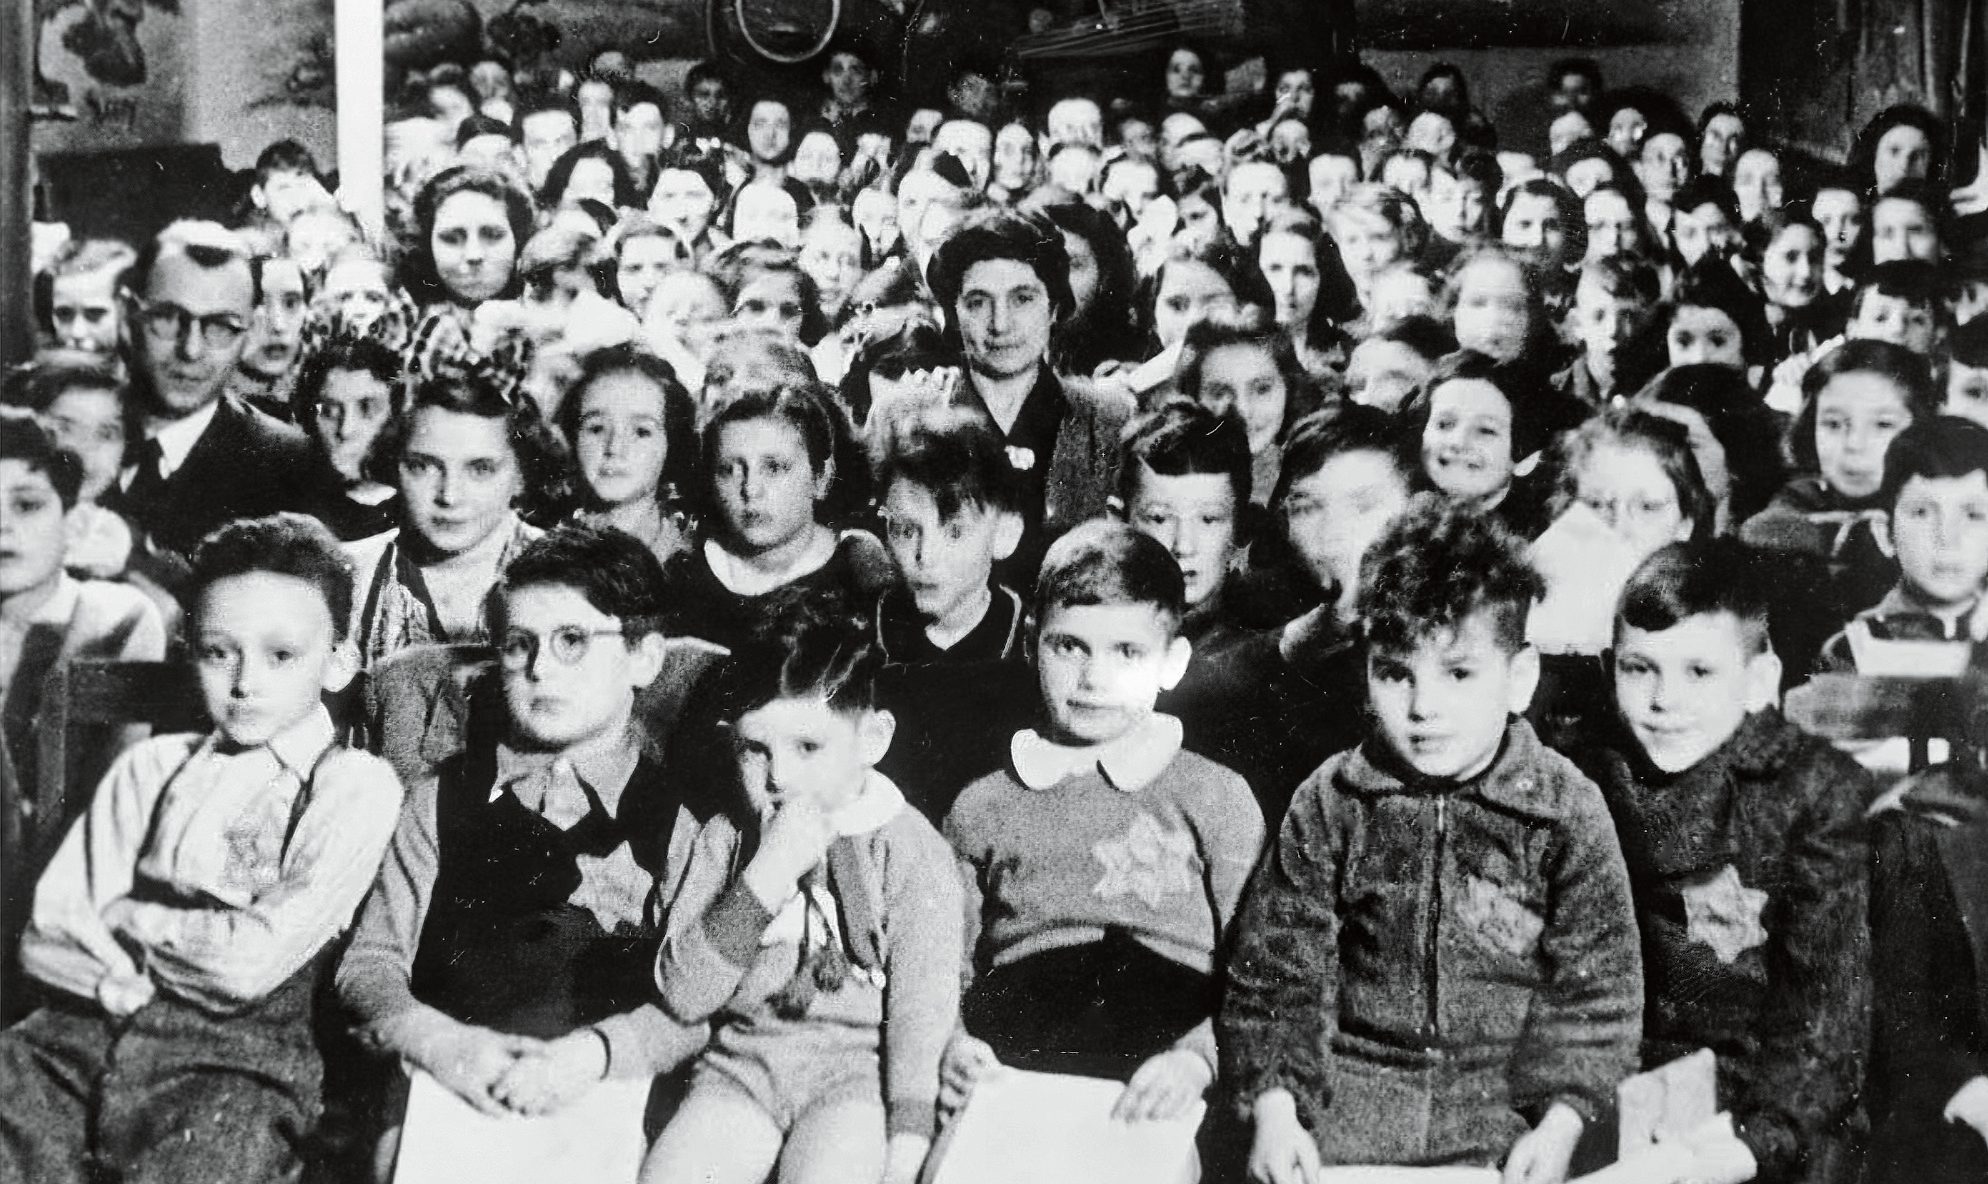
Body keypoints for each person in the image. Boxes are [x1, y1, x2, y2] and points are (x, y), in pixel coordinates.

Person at [1221, 497, 1642, 1178]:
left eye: (1459, 673)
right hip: (1348, 1108)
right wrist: (1276, 1110)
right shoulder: (1332, 801)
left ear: (1520, 679)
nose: (1423, 707)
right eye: (1395, 672)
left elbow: (1598, 998)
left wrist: (1562, 1123)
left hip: (1506, 1118)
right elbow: (1275, 977)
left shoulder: (1567, 811)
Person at [2, 513, 401, 1184]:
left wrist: (132, 919)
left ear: (338, 662)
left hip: (232, 1068)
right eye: (219, 653)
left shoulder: (352, 785)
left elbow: (250, 964)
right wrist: (111, 982)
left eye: (281, 656)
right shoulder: (152, 767)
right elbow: (47, 937)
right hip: (73, 1041)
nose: (245, 682)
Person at [337, 525, 707, 1161]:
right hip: (451, 1086)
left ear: (644, 657)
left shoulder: (680, 823)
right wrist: (442, 1045)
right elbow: (368, 966)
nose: (539, 669)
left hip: (600, 1101)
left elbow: (693, 1007)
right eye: (519, 645)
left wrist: (591, 1059)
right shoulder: (440, 799)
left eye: (572, 642)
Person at [942, 521, 1265, 1122]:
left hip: (1163, 1061)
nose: (1094, 679)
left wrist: (1200, 1058)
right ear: (1031, 642)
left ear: (1172, 662)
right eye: (1069, 647)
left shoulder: (1216, 795)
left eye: (1127, 652)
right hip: (1020, 1054)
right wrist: (953, 1043)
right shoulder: (980, 806)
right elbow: (942, 962)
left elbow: (1261, 967)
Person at [1584, 538, 1874, 1183]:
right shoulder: (1589, 774)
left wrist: (1754, 1142)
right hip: (1613, 1097)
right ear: (1610, 668)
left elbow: (1824, 1019)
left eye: (1700, 672)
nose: (1664, 701)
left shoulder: (1813, 792)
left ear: (1760, 681)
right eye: (1639, 669)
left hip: (1760, 1114)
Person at [640, 608, 962, 1184]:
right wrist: (766, 874)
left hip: (855, 1076)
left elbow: (924, 1008)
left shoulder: (909, 846)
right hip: (737, 1068)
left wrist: (907, 1142)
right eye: (754, 749)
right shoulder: (726, 836)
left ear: (873, 739)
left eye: (808, 747)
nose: (779, 776)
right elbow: (682, 995)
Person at [921, 208, 1137, 584]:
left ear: (1054, 306)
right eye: (977, 302)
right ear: (953, 314)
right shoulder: (912, 415)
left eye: (1022, 298)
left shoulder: (1109, 419)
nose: (1000, 324)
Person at [101, 220, 312, 565]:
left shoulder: (288, 466)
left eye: (222, 327)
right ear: (127, 316)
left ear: (251, 329)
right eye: (169, 318)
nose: (192, 350)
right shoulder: (71, 432)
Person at [0, 417, 167, 835]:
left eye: (26, 505)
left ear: (72, 522)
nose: (2, 526)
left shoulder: (118, 620)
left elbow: (112, 806)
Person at [345, 374, 565, 665]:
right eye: (423, 466)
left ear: (521, 477)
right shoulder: (349, 576)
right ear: (395, 465)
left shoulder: (570, 577)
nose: (449, 496)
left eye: (481, 469)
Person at [659, 385, 893, 651]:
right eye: (730, 470)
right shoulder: (682, 570)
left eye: (774, 468)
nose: (750, 489)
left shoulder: (862, 580)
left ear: (821, 476)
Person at [1741, 339, 1940, 618]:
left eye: (1882, 425)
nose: (1854, 445)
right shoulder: (1795, 504)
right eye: (1833, 424)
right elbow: (1771, 531)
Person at [1814, 416, 1988, 671]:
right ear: (1885, 534)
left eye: (1973, 515)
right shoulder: (1856, 649)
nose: (1947, 537)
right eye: (1922, 513)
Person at [1173, 313, 1323, 505]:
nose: (1243, 410)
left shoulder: (1311, 482)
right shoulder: (1166, 484)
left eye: (1262, 389)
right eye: (1219, 393)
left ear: (1289, 389)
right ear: (1193, 396)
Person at [292, 332, 405, 541]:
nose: (346, 429)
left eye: (367, 409)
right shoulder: (294, 515)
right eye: (330, 411)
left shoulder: (422, 512)